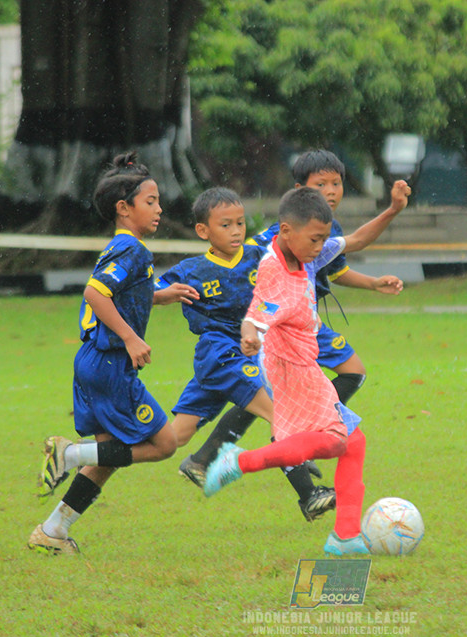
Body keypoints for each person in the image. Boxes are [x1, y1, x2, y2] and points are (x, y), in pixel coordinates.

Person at [178, 150, 407, 498]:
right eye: (321, 184)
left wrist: (377, 269)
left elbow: (342, 262)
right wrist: (248, 322)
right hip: (280, 328)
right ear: (300, 190)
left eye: (336, 183)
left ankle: (219, 454)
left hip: (305, 324)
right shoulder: (276, 240)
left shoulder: (323, 228)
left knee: (349, 375)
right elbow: (248, 265)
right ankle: (301, 478)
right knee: (278, 404)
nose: (330, 191)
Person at [203, 186, 402, 556]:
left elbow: (356, 239)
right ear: (286, 231)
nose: (320, 247)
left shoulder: (306, 251)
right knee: (337, 441)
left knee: (353, 442)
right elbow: (255, 315)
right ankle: (239, 461)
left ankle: (344, 537)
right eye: (315, 239)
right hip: (289, 368)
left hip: (304, 363)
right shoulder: (273, 268)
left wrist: (392, 210)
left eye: (324, 239)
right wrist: (249, 336)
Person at [27, 152, 197, 555]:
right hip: (109, 363)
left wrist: (160, 296)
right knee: (164, 444)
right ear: (124, 208)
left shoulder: (123, 248)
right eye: (150, 201)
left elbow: (118, 293)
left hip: (92, 362)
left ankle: (52, 531)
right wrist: (131, 338)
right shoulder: (133, 250)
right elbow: (95, 293)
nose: (159, 209)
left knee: (108, 457)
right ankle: (69, 453)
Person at [154, 186, 335, 521]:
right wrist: (161, 295)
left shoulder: (257, 254)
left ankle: (87, 454)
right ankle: (309, 495)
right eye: (225, 225)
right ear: (203, 231)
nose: (236, 230)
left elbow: (291, 231)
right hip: (219, 353)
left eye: (240, 222)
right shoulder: (191, 269)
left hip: (241, 356)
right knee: (279, 412)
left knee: (170, 438)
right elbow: (144, 291)